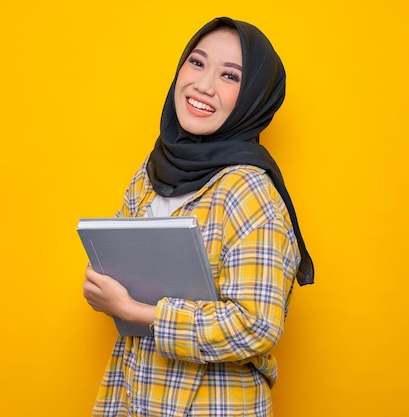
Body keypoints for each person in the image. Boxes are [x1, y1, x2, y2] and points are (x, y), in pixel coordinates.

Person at [83, 16, 314, 417]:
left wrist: (135, 311)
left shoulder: (249, 190)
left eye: (230, 75)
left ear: (254, 98)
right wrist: (102, 281)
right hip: (136, 391)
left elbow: (256, 325)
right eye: (197, 63)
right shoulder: (152, 171)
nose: (203, 85)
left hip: (213, 403)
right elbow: (121, 267)